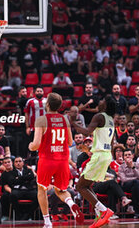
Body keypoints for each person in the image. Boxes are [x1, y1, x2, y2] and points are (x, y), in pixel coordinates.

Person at [29, 93, 84, 227]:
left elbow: (35, 145)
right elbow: (70, 141)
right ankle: (71, 204)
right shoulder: (64, 120)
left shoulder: (41, 120)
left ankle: (47, 222)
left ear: (47, 104)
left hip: (47, 159)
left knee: (41, 189)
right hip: (63, 160)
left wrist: (30, 146)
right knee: (61, 190)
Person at [70, 95, 117, 227]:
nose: (100, 101)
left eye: (102, 100)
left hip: (100, 155)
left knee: (80, 186)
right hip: (106, 155)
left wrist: (73, 122)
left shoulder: (99, 116)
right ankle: (99, 214)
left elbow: (86, 132)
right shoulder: (111, 120)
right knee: (86, 185)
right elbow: (111, 141)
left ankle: (104, 210)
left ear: (106, 105)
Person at [118, 149, 139, 218]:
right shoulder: (121, 167)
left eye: (129, 155)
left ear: (132, 156)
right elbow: (124, 179)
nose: (127, 156)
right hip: (125, 186)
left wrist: (133, 167)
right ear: (123, 157)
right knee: (136, 182)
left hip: (136, 187)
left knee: (135, 188)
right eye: (126, 155)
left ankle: (137, 213)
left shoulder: (137, 165)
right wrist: (135, 179)